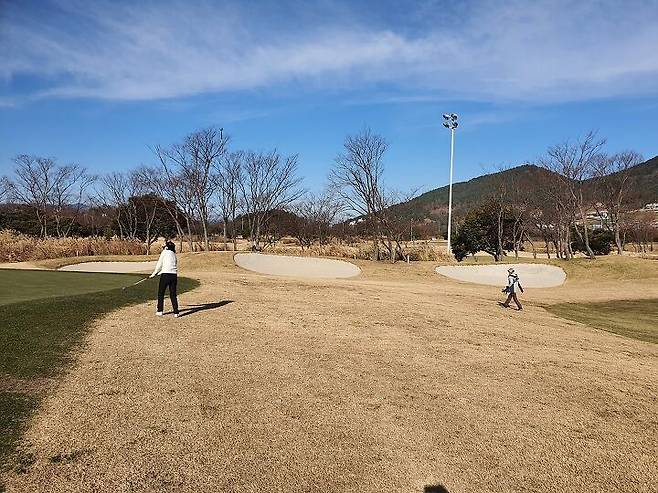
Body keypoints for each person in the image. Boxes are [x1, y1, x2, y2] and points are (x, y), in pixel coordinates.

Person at [150, 240, 179, 317]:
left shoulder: (164, 252)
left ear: (166, 247)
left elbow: (159, 264)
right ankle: (176, 312)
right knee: (173, 294)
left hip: (165, 275)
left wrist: (154, 273)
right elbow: (172, 265)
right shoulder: (174, 254)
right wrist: (160, 272)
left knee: (161, 293)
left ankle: (160, 310)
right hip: (174, 275)